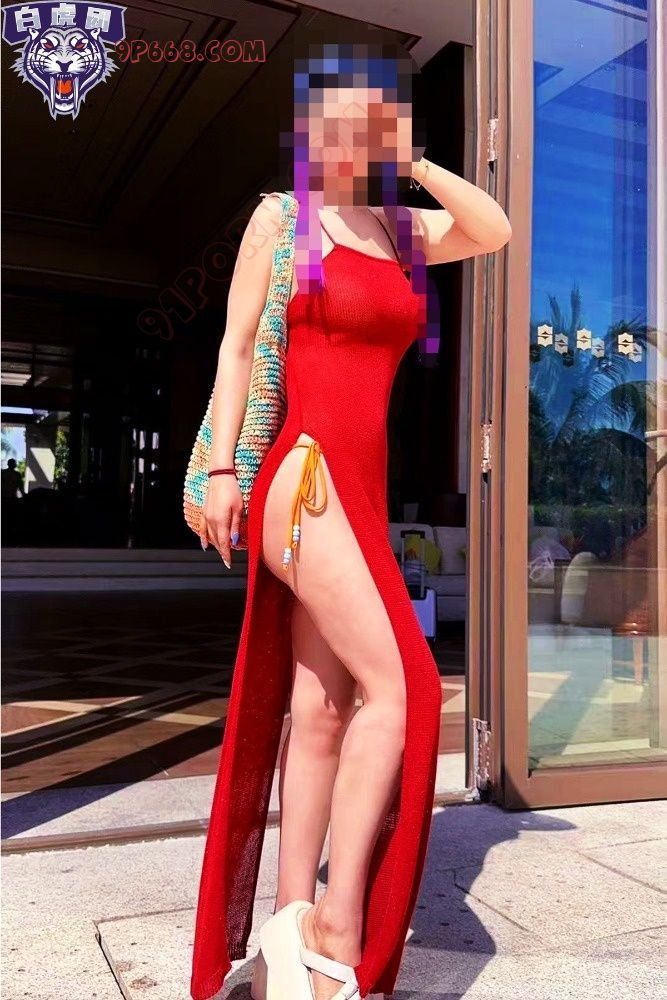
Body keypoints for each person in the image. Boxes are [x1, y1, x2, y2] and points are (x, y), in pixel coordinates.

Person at [190, 43, 511, 1000]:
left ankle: (288, 925)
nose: (356, 131)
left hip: (362, 489)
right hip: (306, 473)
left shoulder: (400, 230)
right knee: (405, 684)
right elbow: (236, 348)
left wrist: (414, 164)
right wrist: (220, 467)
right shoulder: (282, 218)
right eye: (342, 114)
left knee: (323, 706)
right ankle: (337, 920)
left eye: (375, 117)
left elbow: (491, 229)